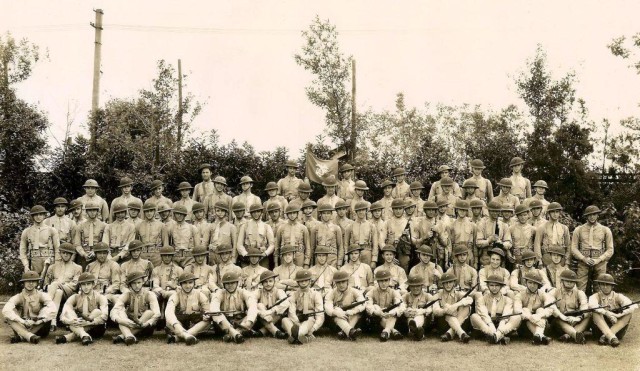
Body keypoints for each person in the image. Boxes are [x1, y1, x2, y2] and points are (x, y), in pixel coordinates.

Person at [3, 271, 57, 344]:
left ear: (37, 283)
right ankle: (29, 336)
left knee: (47, 310)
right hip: (23, 325)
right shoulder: (19, 296)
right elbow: (6, 310)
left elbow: (53, 309)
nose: (30, 284)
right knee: (8, 315)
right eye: (28, 281)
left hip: (38, 327)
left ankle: (22, 336)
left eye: (33, 281)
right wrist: (23, 321)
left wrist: (39, 321)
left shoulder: (42, 295)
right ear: (23, 283)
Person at [571, 205, 614, 294]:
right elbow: (573, 248)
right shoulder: (578, 230)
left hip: (599, 261)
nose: (592, 217)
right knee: (580, 287)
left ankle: (599, 306)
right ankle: (581, 306)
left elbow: (610, 249)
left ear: (598, 215)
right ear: (586, 216)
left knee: (600, 286)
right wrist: (583, 258)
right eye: (589, 215)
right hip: (583, 261)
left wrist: (599, 259)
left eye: (594, 214)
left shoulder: (605, 230)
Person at [56, 272, 108, 345]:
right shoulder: (75, 297)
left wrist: (88, 323)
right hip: (78, 325)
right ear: (80, 285)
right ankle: (84, 336)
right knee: (69, 312)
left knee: (97, 311)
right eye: (83, 284)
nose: (86, 287)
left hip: (96, 328)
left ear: (93, 284)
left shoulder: (100, 297)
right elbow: (63, 315)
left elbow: (104, 317)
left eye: (88, 284)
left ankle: (69, 337)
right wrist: (70, 321)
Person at [110, 271, 161, 345]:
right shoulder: (127, 294)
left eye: (139, 282)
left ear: (143, 282)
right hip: (129, 322)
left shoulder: (149, 294)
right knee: (120, 313)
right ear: (130, 285)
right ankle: (129, 336)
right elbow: (114, 310)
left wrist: (146, 323)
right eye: (134, 283)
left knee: (149, 312)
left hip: (145, 326)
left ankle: (123, 336)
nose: (137, 285)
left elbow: (157, 313)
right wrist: (121, 321)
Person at [589, 274, 638, 347]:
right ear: (599, 285)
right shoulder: (595, 296)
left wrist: (618, 315)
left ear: (612, 286)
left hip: (616, 328)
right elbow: (591, 305)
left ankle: (606, 336)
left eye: (608, 285)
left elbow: (633, 305)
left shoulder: (618, 296)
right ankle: (611, 337)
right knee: (595, 312)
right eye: (602, 284)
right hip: (599, 329)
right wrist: (607, 313)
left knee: (628, 314)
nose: (605, 287)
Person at [470, 273, 520, 345]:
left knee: (517, 317)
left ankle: (496, 336)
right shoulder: (482, 299)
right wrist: (491, 327)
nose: (494, 288)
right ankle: (498, 336)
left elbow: (505, 315)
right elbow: (484, 314)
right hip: (487, 324)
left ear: (501, 287)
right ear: (488, 286)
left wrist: (500, 330)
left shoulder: (507, 300)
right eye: (491, 285)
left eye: (497, 285)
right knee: (474, 316)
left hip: (502, 324)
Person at [209, 271, 258, 343]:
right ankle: (235, 333)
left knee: (253, 316)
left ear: (237, 283)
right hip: (224, 323)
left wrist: (248, 322)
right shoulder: (219, 293)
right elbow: (214, 308)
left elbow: (252, 305)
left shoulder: (243, 292)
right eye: (227, 283)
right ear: (224, 285)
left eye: (232, 283)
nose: (230, 285)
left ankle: (232, 335)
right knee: (216, 314)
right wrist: (228, 325)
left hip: (240, 323)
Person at [164, 272, 210, 345]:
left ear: (194, 283)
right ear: (180, 284)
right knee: (169, 321)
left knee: (207, 321)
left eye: (190, 282)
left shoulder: (200, 294)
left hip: (195, 325)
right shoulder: (175, 295)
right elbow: (169, 312)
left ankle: (178, 337)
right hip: (180, 325)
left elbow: (207, 311)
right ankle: (188, 336)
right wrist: (175, 323)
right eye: (184, 283)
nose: (188, 286)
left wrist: (206, 316)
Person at [281, 269, 325, 344]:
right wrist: (297, 322)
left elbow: (320, 313)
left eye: (306, 280)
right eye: (301, 281)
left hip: (309, 320)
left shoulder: (316, 294)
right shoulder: (294, 294)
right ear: (297, 282)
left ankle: (296, 335)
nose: (304, 283)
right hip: (296, 320)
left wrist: (314, 328)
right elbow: (291, 311)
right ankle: (298, 336)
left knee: (307, 323)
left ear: (310, 281)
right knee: (284, 320)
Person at [45, 242, 82, 331]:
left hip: (69, 292)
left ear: (71, 255)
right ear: (60, 253)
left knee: (55, 284)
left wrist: (60, 285)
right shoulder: (53, 267)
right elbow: (46, 283)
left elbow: (74, 285)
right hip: (56, 291)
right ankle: (53, 322)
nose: (65, 255)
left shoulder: (77, 267)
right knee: (58, 292)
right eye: (63, 253)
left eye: (68, 253)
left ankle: (46, 306)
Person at [513, 270, 554, 345]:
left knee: (540, 309)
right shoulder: (520, 295)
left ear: (538, 285)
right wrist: (530, 317)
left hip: (541, 325)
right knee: (525, 309)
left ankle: (538, 335)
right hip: (524, 328)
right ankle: (541, 336)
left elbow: (550, 309)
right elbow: (517, 310)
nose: (532, 285)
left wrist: (538, 315)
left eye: (535, 283)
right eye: (530, 283)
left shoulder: (542, 294)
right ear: (526, 283)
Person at [549, 270, 589, 344]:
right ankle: (576, 335)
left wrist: (578, 318)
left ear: (575, 283)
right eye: (567, 280)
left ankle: (568, 336)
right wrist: (562, 317)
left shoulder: (580, 293)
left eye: (572, 281)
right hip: (560, 321)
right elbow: (551, 306)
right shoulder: (554, 291)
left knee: (589, 315)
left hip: (574, 320)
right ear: (562, 281)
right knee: (557, 319)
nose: (569, 282)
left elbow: (585, 308)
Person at [324, 270, 366, 340]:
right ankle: (351, 331)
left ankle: (345, 332)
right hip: (337, 321)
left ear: (347, 281)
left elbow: (363, 303)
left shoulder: (355, 291)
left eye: (343, 282)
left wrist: (353, 311)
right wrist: (336, 313)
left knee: (357, 314)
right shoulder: (331, 293)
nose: (341, 285)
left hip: (352, 317)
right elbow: (328, 307)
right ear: (335, 284)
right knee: (337, 312)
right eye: (338, 283)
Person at [365, 269, 405, 341]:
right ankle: (393, 331)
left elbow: (401, 304)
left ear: (389, 281)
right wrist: (376, 312)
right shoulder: (372, 292)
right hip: (376, 320)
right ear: (377, 282)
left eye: (386, 281)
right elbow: (368, 305)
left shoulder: (393, 292)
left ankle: (386, 332)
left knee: (395, 308)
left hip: (389, 317)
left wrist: (393, 312)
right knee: (375, 306)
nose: (384, 283)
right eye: (381, 281)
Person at [432, 272, 473, 343]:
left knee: (467, 307)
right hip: (443, 324)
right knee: (449, 313)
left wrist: (455, 305)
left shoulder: (458, 293)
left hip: (458, 320)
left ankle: (450, 333)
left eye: (450, 282)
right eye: (446, 283)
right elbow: (435, 310)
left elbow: (470, 299)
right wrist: (445, 310)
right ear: (442, 284)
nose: (448, 285)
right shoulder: (438, 294)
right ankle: (460, 332)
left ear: (454, 283)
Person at [20, 205, 60, 274]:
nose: (38, 217)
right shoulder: (27, 231)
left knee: (48, 282)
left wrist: (56, 264)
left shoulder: (51, 230)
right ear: (32, 216)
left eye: (41, 214)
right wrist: (26, 265)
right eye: (36, 215)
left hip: (48, 260)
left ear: (44, 215)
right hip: (33, 261)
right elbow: (22, 250)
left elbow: (57, 248)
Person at [476, 200, 513, 269]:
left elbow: (509, 242)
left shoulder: (504, 225)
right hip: (486, 255)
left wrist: (501, 243)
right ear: (489, 211)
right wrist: (489, 240)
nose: (495, 213)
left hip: (500, 254)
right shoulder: (482, 224)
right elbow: (478, 242)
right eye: (493, 211)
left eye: (497, 211)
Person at [254, 270, 290, 339]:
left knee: (279, 311)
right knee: (259, 305)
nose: (268, 284)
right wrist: (263, 314)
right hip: (262, 319)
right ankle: (276, 332)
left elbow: (286, 303)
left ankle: (261, 332)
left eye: (270, 281)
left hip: (275, 318)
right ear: (262, 283)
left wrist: (271, 311)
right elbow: (251, 304)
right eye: (265, 282)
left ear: (274, 282)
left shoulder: (279, 291)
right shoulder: (258, 292)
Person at [237, 203, 275, 268]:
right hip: (248, 257)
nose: (256, 214)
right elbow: (239, 244)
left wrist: (265, 253)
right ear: (251, 213)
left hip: (262, 258)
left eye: (258, 211)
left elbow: (272, 244)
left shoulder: (266, 226)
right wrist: (245, 254)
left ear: (261, 212)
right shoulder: (245, 226)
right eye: (254, 212)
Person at [380, 199, 413, 272]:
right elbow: (381, 241)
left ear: (403, 209)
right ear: (392, 210)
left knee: (403, 271)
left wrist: (408, 237)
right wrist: (387, 253)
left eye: (400, 208)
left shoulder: (408, 222)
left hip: (403, 252)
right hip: (390, 250)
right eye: (396, 209)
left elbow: (413, 241)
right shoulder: (387, 222)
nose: (398, 211)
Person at [534, 202, 571, 267]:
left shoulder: (564, 228)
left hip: (560, 257)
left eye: (557, 212)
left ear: (559, 213)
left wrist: (567, 261)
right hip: (547, 256)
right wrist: (539, 260)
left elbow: (568, 245)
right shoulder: (542, 227)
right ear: (549, 213)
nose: (555, 214)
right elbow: (537, 245)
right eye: (553, 212)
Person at [73, 201, 107, 270]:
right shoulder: (80, 226)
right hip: (84, 256)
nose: (92, 212)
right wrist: (83, 254)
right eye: (90, 210)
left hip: (99, 255)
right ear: (86, 212)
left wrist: (95, 251)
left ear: (97, 211)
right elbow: (77, 244)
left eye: (94, 210)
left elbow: (105, 242)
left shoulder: (104, 226)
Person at [345, 201, 379, 268]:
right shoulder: (350, 226)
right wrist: (346, 258)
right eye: (359, 210)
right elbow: (346, 244)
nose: (361, 212)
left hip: (367, 253)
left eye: (363, 210)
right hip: (353, 253)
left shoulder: (371, 226)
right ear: (356, 212)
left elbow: (375, 245)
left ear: (366, 211)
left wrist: (374, 260)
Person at [402, 274, 434, 341]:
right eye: (413, 286)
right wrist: (407, 311)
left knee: (420, 315)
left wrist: (419, 311)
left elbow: (430, 309)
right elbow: (402, 306)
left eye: (418, 286)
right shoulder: (406, 296)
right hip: (409, 317)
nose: (415, 288)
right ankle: (419, 334)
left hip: (424, 320)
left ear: (421, 286)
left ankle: (413, 329)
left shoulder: (427, 296)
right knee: (410, 318)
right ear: (409, 287)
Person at [311, 203, 343, 268]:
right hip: (319, 258)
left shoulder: (336, 228)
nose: (326, 215)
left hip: (332, 257)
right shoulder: (315, 228)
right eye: (324, 213)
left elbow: (340, 247)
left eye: (328, 213)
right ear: (321, 215)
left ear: (331, 214)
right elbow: (312, 247)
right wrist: (311, 262)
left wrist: (339, 262)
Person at [152, 246, 184, 310]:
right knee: (152, 294)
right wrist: (162, 291)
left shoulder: (178, 269)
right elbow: (155, 284)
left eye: (169, 255)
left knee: (174, 294)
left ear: (172, 256)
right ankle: (156, 314)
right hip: (161, 292)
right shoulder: (156, 269)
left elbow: (183, 286)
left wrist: (174, 286)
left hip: (173, 292)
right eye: (164, 256)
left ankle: (169, 314)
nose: (167, 258)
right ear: (161, 256)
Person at [448, 200, 476, 268]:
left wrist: (476, 259)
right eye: (460, 210)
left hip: (468, 252)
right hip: (456, 252)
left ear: (467, 211)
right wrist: (450, 256)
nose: (462, 212)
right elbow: (450, 243)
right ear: (457, 210)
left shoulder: (472, 225)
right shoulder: (452, 225)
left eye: (464, 210)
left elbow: (475, 243)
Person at [208, 200, 238, 265]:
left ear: (226, 212)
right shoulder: (211, 226)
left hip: (226, 256)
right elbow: (206, 242)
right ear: (215, 212)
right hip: (213, 255)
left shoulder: (231, 227)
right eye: (218, 211)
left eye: (222, 211)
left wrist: (233, 257)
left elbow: (235, 244)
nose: (220, 213)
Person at [136, 200, 164, 267]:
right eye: (147, 211)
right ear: (144, 212)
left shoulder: (161, 225)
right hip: (143, 254)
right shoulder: (139, 225)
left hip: (157, 254)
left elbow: (165, 244)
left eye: (151, 211)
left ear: (154, 211)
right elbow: (137, 242)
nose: (149, 213)